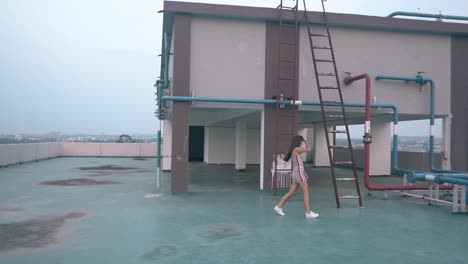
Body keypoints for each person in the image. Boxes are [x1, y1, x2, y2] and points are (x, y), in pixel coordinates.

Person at [274, 135, 319, 219]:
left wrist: (304, 172)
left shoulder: (295, 150)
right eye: (301, 142)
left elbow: (298, 164)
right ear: (299, 142)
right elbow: (309, 149)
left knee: (292, 192)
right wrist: (306, 141)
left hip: (296, 174)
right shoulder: (296, 149)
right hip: (298, 174)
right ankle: (308, 213)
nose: (302, 143)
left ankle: (278, 207)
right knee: (306, 192)